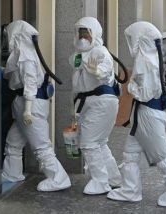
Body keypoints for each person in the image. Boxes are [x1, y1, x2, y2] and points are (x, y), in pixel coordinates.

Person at [107, 21, 166, 207]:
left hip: (147, 113)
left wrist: (129, 86)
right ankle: (130, 190)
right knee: (130, 153)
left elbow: (144, 93)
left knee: (162, 156)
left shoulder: (145, 61)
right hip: (145, 113)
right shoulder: (152, 57)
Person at [2, 20, 71, 192]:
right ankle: (12, 173)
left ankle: (59, 178)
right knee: (14, 142)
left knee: (41, 145)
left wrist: (27, 110)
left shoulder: (26, 56)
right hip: (25, 104)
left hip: (30, 105)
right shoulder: (24, 53)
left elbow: (30, 83)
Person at [68, 17, 121, 195]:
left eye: (87, 34)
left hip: (101, 101)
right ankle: (113, 178)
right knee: (100, 142)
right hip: (88, 102)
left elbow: (105, 71)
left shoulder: (100, 51)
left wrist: (98, 71)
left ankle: (100, 182)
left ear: (95, 34)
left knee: (89, 142)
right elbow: (77, 81)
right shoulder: (77, 56)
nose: (83, 38)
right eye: (80, 33)